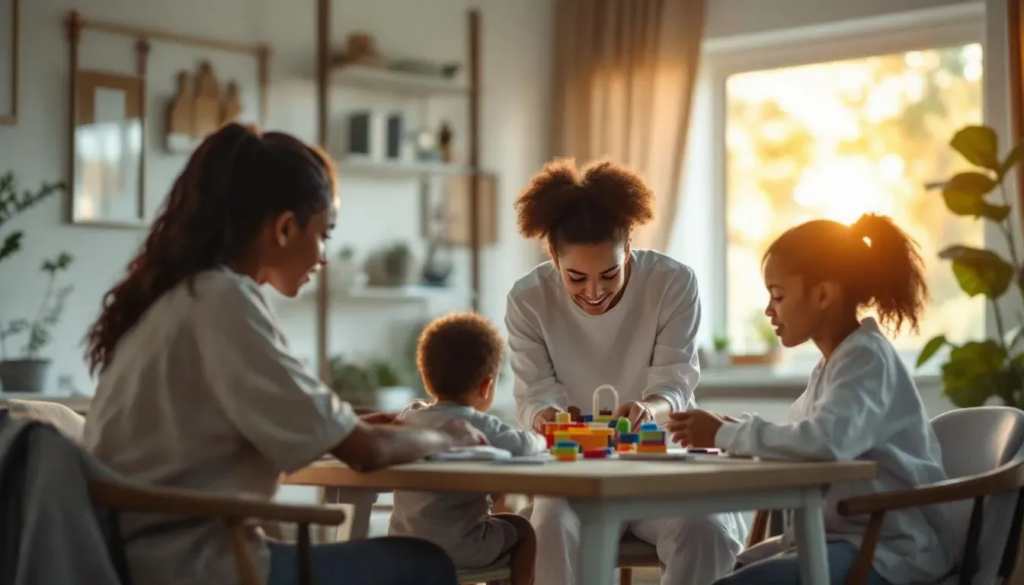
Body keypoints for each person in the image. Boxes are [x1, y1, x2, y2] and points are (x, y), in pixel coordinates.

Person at [81, 123, 484, 585]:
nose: (324, 256)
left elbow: (323, 431)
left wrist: (357, 427)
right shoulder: (225, 301)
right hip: (202, 570)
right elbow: (366, 453)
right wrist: (447, 437)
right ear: (285, 228)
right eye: (324, 234)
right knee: (426, 563)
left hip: (138, 564)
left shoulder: (177, 300)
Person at [668, 214, 958, 585]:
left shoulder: (866, 358)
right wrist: (734, 430)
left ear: (823, 294)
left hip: (887, 548)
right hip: (839, 539)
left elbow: (825, 442)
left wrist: (726, 436)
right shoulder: (834, 364)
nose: (769, 309)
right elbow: (804, 439)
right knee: (727, 573)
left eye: (778, 295)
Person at [505, 157, 746, 585]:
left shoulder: (672, 282)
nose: (594, 292)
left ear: (629, 248)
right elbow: (533, 393)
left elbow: (674, 381)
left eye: (609, 274)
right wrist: (547, 417)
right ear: (554, 258)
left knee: (704, 528)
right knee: (550, 527)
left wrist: (648, 409)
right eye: (576, 278)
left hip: (660, 463)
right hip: (577, 471)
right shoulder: (528, 300)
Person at [389, 312, 545, 585]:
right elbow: (523, 446)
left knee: (495, 522)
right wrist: (542, 436)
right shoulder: (477, 424)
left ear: (426, 378)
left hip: (404, 546)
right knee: (520, 529)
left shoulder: (409, 418)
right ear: (486, 386)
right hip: (461, 549)